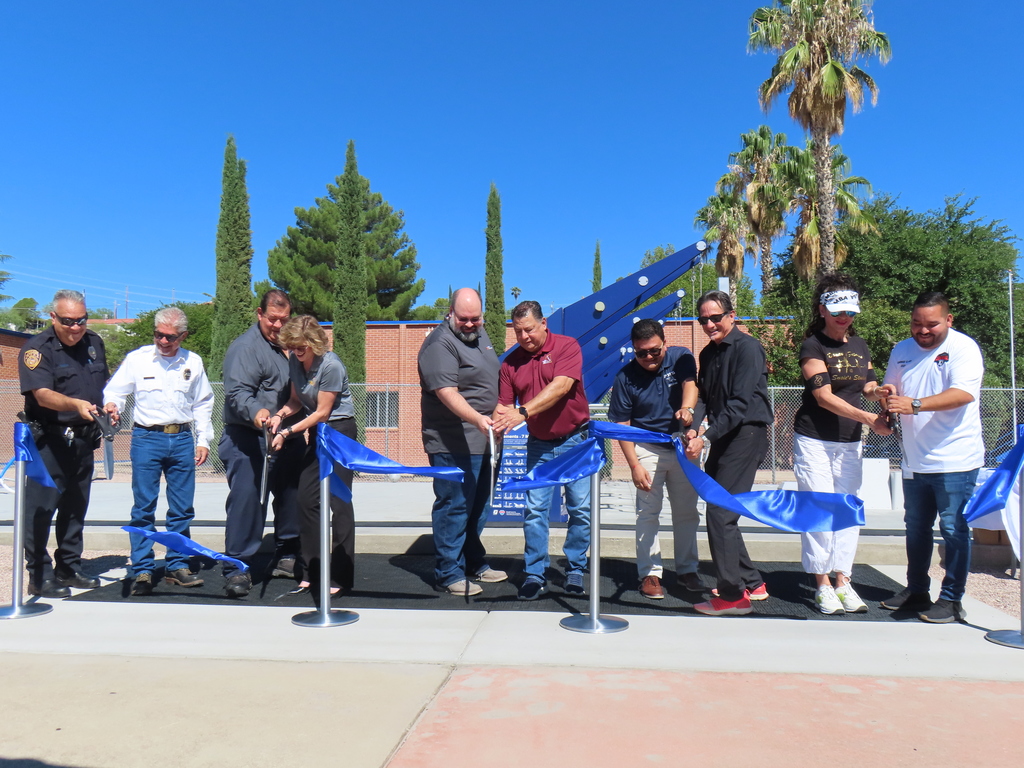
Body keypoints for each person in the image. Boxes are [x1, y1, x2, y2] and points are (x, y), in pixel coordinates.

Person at [879, 292, 984, 623]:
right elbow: (891, 390)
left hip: (956, 458)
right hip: (914, 459)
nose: (922, 331)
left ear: (948, 320)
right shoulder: (901, 350)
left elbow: (963, 393)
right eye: (916, 323)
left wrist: (915, 404)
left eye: (932, 324)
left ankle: (951, 600)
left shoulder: (963, 348)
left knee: (953, 528)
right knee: (916, 527)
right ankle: (916, 590)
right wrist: (886, 399)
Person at [792, 275, 891, 615]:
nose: (844, 317)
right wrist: (869, 419)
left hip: (849, 442)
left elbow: (868, 386)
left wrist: (881, 392)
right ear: (822, 310)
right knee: (819, 508)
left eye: (850, 311)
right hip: (814, 440)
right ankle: (822, 583)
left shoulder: (860, 345)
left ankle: (843, 580)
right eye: (837, 311)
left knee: (848, 509)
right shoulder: (812, 346)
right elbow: (823, 397)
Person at [104, 306, 215, 596]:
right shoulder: (137, 359)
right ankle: (142, 568)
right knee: (143, 507)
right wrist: (113, 405)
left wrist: (203, 440)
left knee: (182, 509)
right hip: (146, 438)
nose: (164, 341)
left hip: (182, 439)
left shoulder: (193, 362)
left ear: (183, 336)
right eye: (159, 335)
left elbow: (203, 402)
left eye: (171, 337)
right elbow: (115, 391)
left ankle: (177, 565)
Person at [492, 300, 590, 600]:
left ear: (544, 323)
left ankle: (575, 568)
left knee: (580, 509)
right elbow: (503, 406)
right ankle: (535, 573)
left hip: (576, 442)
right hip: (539, 444)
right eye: (518, 331)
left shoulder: (567, 347)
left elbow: (561, 387)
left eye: (529, 329)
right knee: (535, 511)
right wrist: (495, 427)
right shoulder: (510, 364)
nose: (524, 337)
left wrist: (522, 412)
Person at [684, 290, 772, 617]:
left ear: (731, 316)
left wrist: (705, 438)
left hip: (747, 434)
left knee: (720, 513)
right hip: (723, 435)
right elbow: (704, 398)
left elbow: (739, 404)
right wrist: (693, 427)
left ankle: (734, 597)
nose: (709, 324)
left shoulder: (749, 348)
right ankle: (752, 583)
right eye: (703, 319)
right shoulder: (708, 353)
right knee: (724, 511)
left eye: (715, 317)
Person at [18, 289, 109, 599]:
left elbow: (101, 384)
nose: (75, 327)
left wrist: (108, 405)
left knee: (75, 508)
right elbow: (42, 394)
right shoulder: (37, 349)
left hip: (84, 439)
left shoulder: (94, 343)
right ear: (53, 317)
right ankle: (39, 575)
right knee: (40, 510)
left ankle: (68, 567)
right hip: (50, 441)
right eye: (68, 321)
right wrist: (75, 404)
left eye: (81, 320)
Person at [418, 288, 507, 596]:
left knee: (479, 506)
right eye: (464, 318)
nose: (470, 324)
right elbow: (446, 392)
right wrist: (478, 419)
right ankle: (448, 572)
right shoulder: (440, 344)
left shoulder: (480, 336)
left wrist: (497, 414)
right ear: (450, 313)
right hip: (452, 442)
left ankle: (473, 561)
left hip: (485, 440)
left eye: (475, 318)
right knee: (454, 507)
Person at [608, 318, 702, 599]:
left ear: (665, 344)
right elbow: (621, 426)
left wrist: (687, 409)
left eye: (654, 351)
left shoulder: (681, 357)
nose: (649, 357)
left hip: (682, 446)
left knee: (687, 512)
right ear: (633, 349)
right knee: (648, 513)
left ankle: (687, 570)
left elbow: (691, 383)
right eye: (641, 353)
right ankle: (650, 573)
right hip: (647, 449)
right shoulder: (625, 377)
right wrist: (634, 465)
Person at [218, 289, 304, 599]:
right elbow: (238, 393)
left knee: (293, 497)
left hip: (287, 435)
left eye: (284, 319)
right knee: (248, 501)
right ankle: (237, 567)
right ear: (259, 314)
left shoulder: (291, 346)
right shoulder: (246, 348)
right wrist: (258, 413)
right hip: (249, 437)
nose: (278, 325)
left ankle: (288, 554)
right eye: (272, 319)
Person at [270, 316, 357, 595]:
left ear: (315, 343)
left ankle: (340, 577)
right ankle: (311, 570)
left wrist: (286, 432)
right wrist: (280, 416)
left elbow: (322, 412)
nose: (296, 351)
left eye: (301, 347)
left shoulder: (331, 365)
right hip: (316, 431)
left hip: (339, 431)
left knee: (338, 502)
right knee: (306, 499)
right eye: (292, 346)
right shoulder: (295, 361)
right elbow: (296, 400)